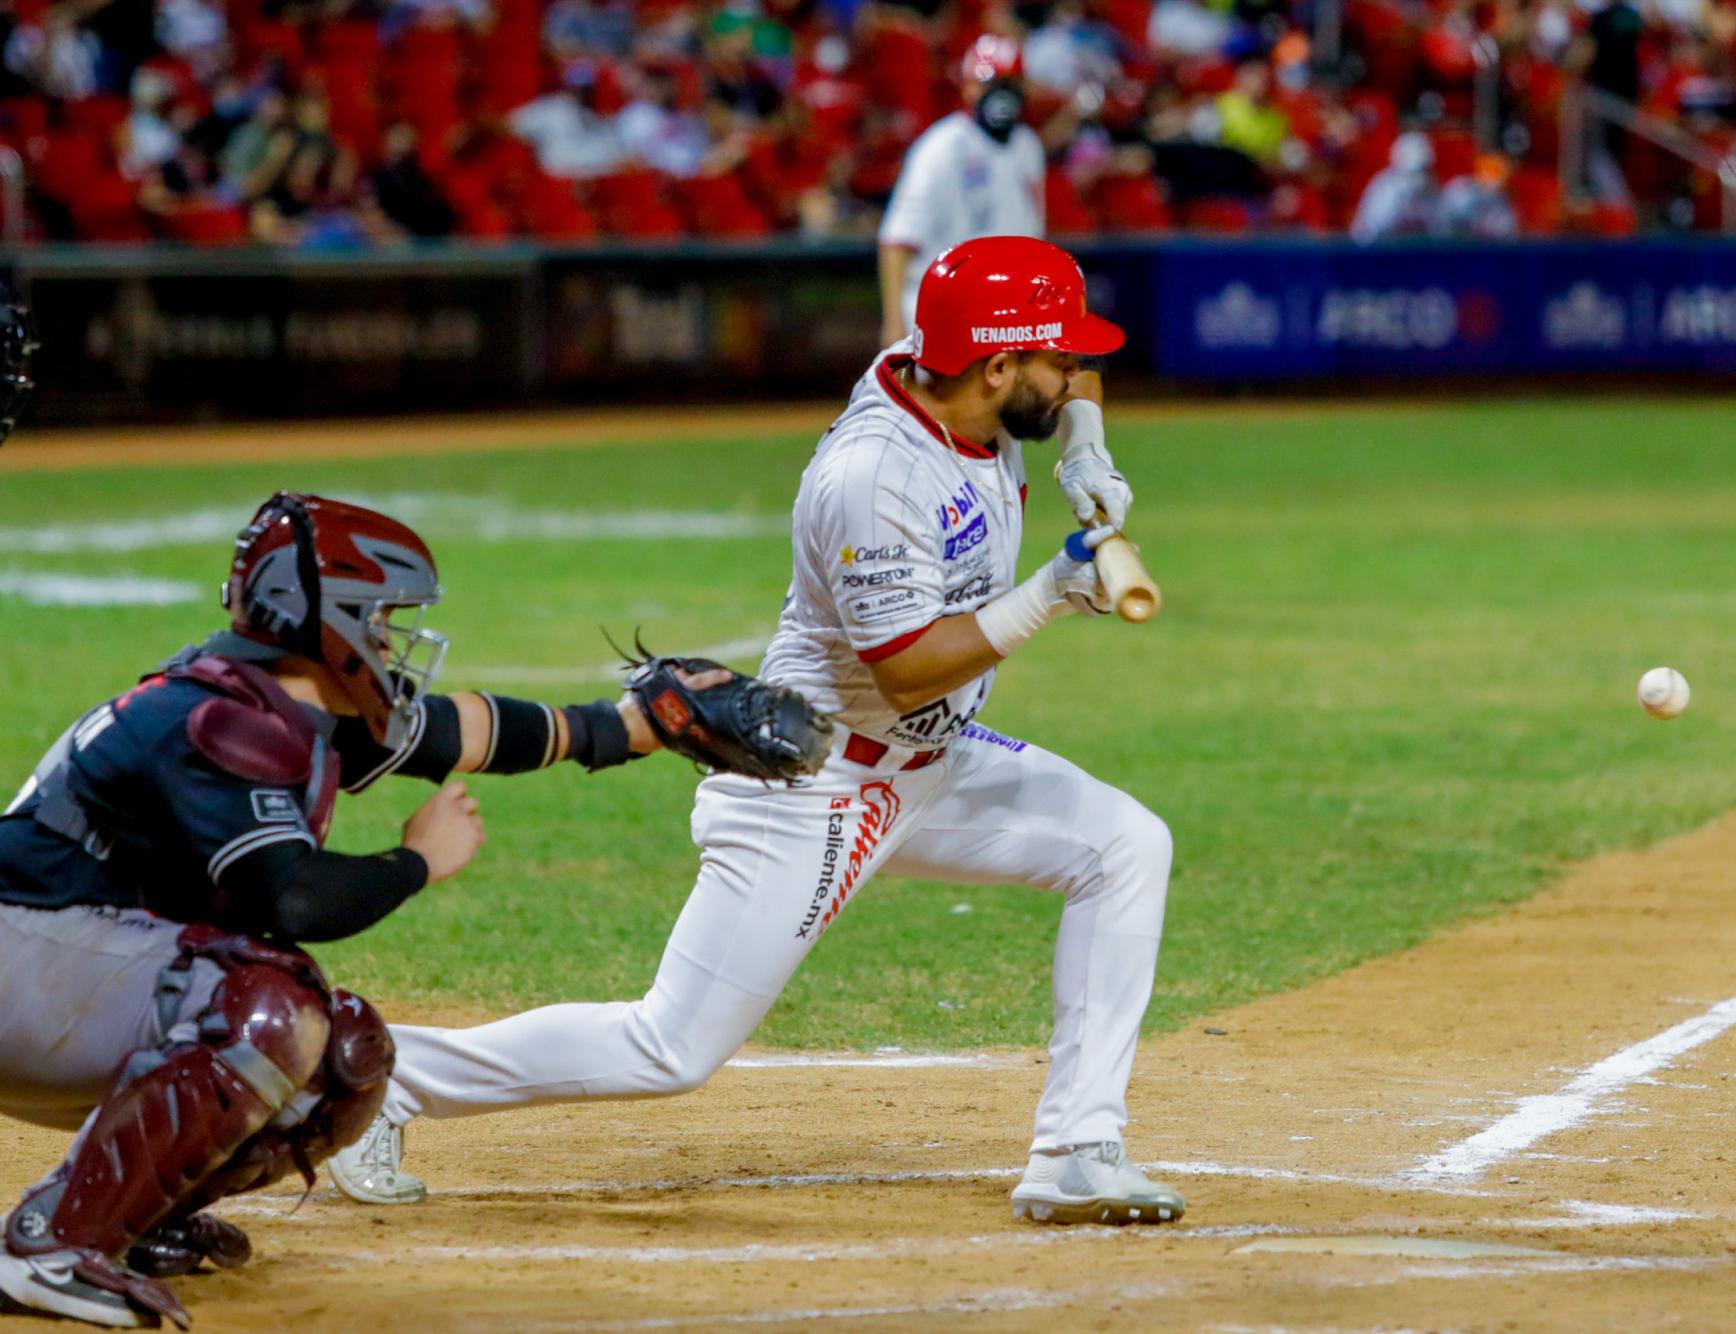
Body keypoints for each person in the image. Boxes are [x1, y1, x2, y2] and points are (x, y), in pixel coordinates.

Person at [332, 236, 1185, 1229]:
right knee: (668, 1047)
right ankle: (382, 1074)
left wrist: (1085, 446)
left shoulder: (956, 374)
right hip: (808, 775)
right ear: (995, 368)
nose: (1074, 371)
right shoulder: (871, 475)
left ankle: (1078, 1150)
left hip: (926, 760)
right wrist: (1046, 592)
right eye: (1049, 359)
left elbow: (1074, 369)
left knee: (1125, 842)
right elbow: (906, 666)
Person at [0, 492, 824, 1328]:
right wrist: (417, 861)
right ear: (324, 618)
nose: (392, 638)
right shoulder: (222, 722)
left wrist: (632, 724)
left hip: (66, 966)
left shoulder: (274, 699)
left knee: (343, 1062)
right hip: (25, 957)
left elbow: (466, 730)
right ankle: (50, 1242)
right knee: (266, 1005)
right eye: (381, 617)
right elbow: (294, 895)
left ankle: (129, 1216)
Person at [877, 34, 1045, 348]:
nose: (1000, 95)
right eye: (989, 83)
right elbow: (897, 241)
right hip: (941, 313)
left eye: (1009, 83)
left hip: (1007, 314)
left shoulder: (1028, 147)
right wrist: (893, 323)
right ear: (968, 87)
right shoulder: (940, 147)